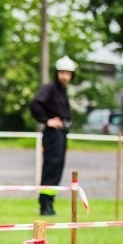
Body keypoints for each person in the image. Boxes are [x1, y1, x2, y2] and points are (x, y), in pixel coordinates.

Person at [29, 55, 76, 216]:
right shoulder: (49, 88)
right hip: (52, 135)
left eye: (68, 73)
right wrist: (46, 120)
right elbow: (35, 104)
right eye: (62, 73)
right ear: (56, 73)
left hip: (61, 134)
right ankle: (45, 205)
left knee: (57, 169)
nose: (65, 76)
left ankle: (50, 203)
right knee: (51, 169)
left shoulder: (62, 91)